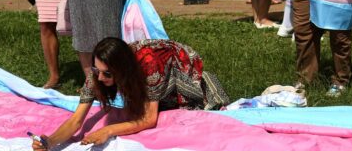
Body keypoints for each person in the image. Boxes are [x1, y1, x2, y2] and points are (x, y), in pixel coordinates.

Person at [30, 37, 229, 150]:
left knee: (193, 109)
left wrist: (108, 130)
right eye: (97, 71)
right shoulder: (98, 72)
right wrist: (50, 142)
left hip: (181, 67)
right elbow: (76, 121)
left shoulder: (150, 64)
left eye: (107, 74)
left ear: (121, 70)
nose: (99, 78)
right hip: (146, 76)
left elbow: (149, 119)